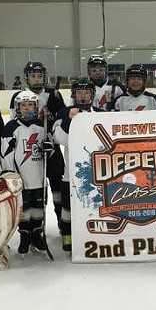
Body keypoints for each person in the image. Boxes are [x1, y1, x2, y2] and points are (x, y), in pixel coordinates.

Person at [9, 61, 66, 239]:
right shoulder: (19, 96)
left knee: (58, 187)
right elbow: (16, 122)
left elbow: (62, 119)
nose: (36, 79)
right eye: (33, 76)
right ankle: (33, 229)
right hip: (30, 148)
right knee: (31, 190)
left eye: (39, 75)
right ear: (27, 77)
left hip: (51, 148)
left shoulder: (53, 95)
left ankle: (63, 223)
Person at [52, 77, 102, 252]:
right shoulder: (63, 113)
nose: (83, 96)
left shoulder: (102, 114)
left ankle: (93, 235)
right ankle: (68, 236)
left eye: (87, 92)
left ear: (92, 95)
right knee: (67, 208)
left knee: (96, 205)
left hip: (98, 171)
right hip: (71, 172)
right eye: (79, 92)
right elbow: (60, 139)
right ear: (73, 95)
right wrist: (69, 119)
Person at [1, 90, 50, 255]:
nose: (27, 108)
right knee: (24, 209)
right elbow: (5, 155)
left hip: (39, 175)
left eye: (30, 105)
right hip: (21, 177)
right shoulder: (11, 128)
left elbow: (50, 153)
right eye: (23, 105)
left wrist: (48, 149)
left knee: (38, 207)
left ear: (36, 107)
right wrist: (11, 176)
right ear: (17, 108)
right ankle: (25, 235)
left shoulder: (41, 126)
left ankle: (36, 233)